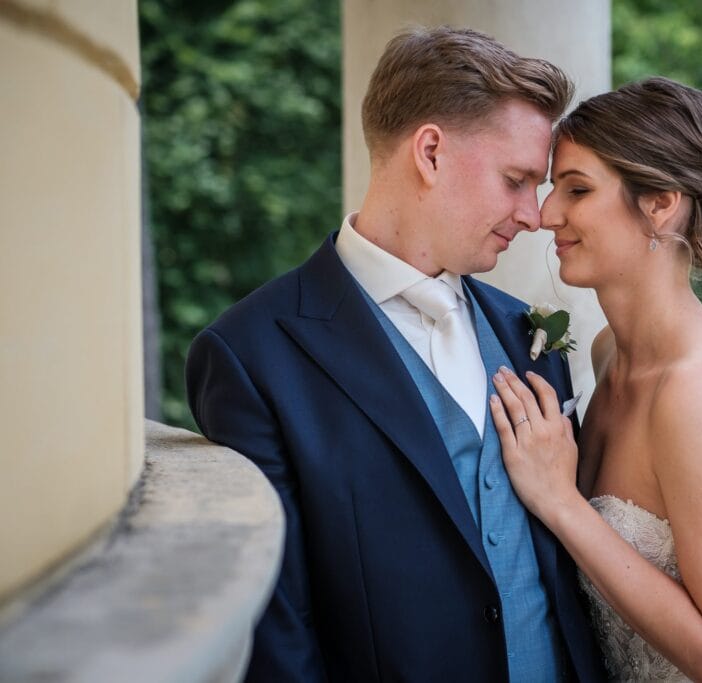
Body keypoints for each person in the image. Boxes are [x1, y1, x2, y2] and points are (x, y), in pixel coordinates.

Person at [186, 26, 605, 682]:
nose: (534, 215)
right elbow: (280, 627)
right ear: (431, 152)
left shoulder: (529, 332)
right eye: (517, 179)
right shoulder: (250, 355)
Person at [489, 77, 702, 682]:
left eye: (578, 190)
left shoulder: (701, 394)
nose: (545, 215)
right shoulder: (606, 351)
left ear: (661, 202)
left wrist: (562, 503)